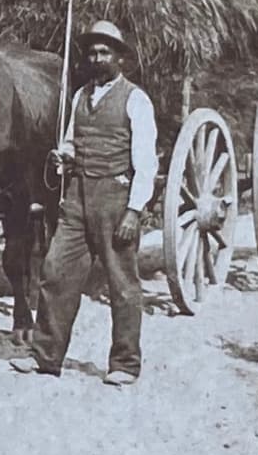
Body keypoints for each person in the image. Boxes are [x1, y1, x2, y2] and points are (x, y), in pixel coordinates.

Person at [19, 19, 156, 385]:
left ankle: (124, 364)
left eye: (104, 52)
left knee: (122, 284)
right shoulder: (80, 96)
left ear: (120, 58)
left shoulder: (135, 100)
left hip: (115, 199)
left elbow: (146, 163)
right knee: (55, 272)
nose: (97, 59)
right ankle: (45, 356)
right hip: (77, 198)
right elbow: (71, 142)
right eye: (92, 53)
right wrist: (63, 156)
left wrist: (133, 211)